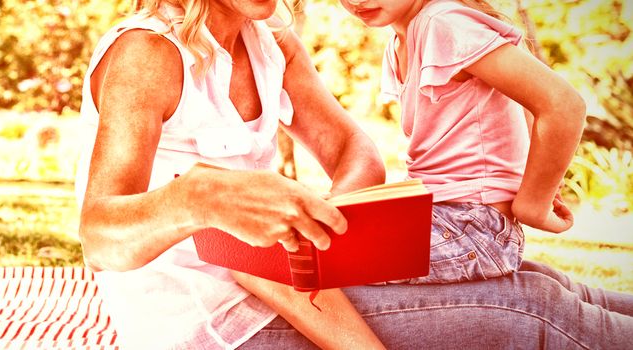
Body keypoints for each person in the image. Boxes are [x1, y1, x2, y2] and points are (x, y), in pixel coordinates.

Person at [75, 0, 633, 348]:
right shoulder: (146, 53)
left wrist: (323, 236)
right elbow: (100, 238)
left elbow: (352, 149)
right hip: (214, 324)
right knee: (525, 311)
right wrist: (196, 200)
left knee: (540, 283)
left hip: (288, 285)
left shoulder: (271, 42)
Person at [337, 0, 581, 285]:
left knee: (325, 263)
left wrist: (533, 203)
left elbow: (563, 105)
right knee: (312, 244)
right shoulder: (401, 40)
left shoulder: (442, 23)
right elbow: (523, 101)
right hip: (441, 215)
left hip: (471, 225)